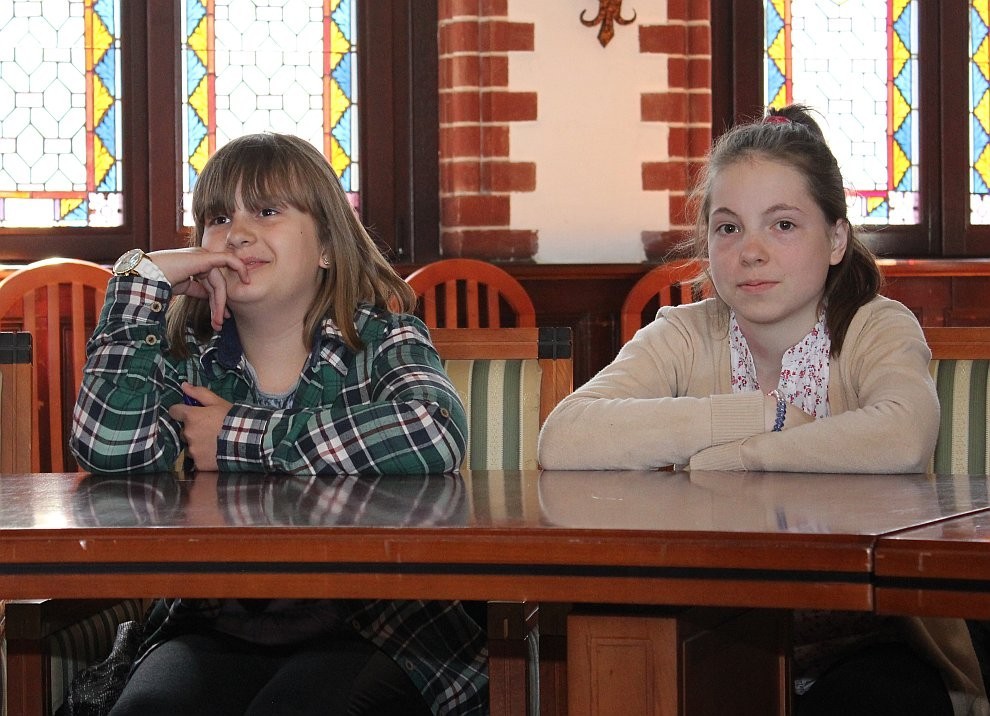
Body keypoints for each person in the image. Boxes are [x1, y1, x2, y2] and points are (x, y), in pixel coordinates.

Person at [538, 105, 987, 714]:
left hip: (870, 638)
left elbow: (903, 435)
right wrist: (762, 415)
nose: (751, 251)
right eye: (728, 228)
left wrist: (739, 456)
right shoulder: (683, 334)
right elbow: (564, 436)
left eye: (782, 225)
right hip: (715, 631)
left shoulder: (875, 326)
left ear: (836, 239)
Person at [69, 133, 486, 715]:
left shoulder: (382, 340)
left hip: (375, 627)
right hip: (214, 624)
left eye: (266, 211)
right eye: (218, 218)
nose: (238, 233)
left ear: (327, 247)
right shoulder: (185, 358)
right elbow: (107, 450)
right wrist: (139, 284)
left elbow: (433, 431)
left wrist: (235, 435)